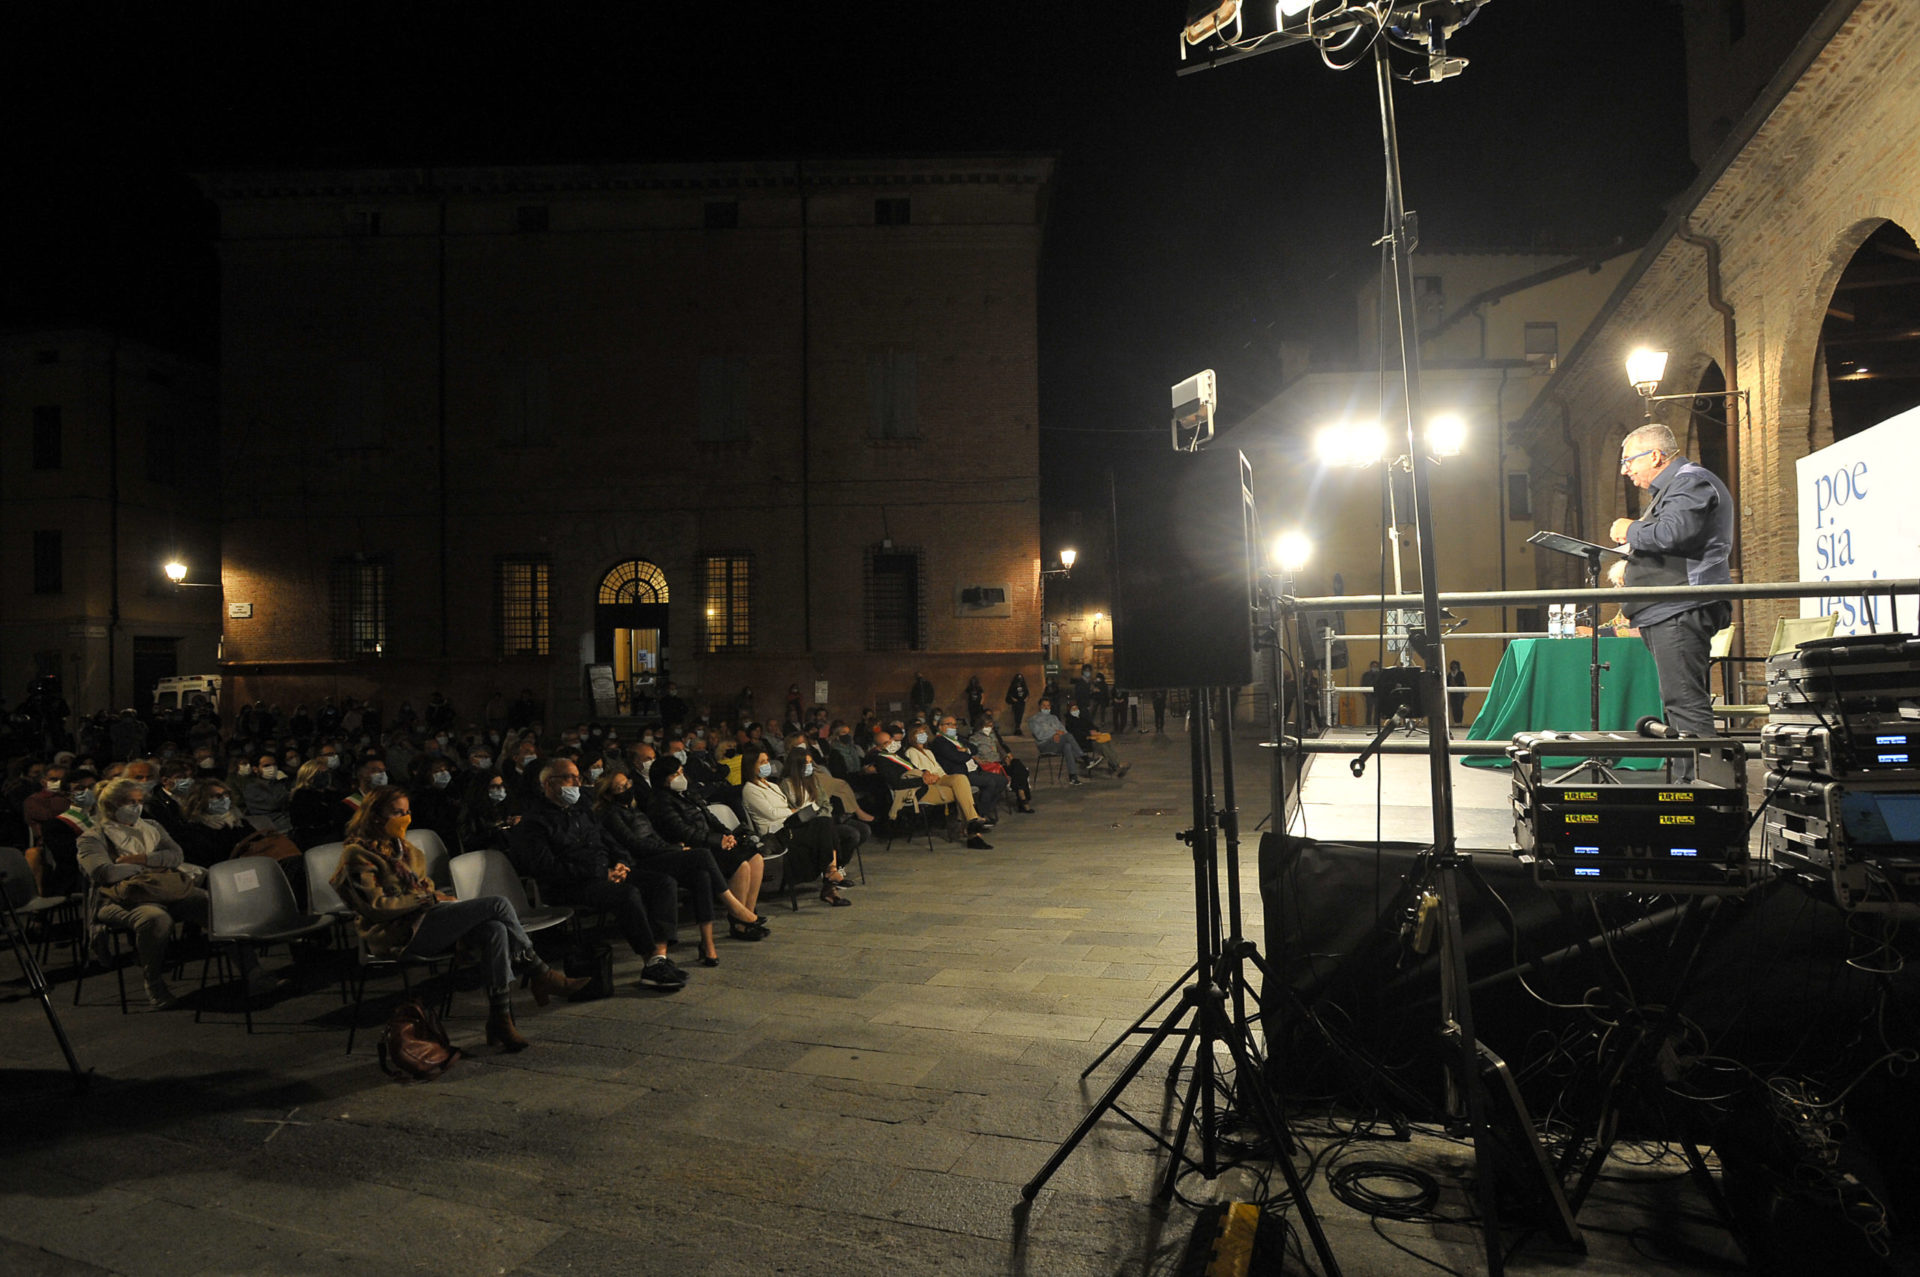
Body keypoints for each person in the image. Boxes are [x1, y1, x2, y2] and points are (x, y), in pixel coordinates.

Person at [336, 785, 586, 1049]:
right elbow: (376, 906)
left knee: (494, 930)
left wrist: (434, 897)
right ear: (375, 815)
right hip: (397, 933)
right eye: (397, 812)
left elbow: (424, 887)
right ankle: (541, 973)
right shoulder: (358, 854)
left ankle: (500, 1020)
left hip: (426, 920)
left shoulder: (406, 850)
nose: (405, 818)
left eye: (407, 812)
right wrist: (427, 899)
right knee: (498, 905)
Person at [1609, 422, 1734, 780]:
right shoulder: (1674, 488)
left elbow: (1671, 533)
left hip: (1681, 608)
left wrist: (1628, 529)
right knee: (1676, 705)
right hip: (1666, 609)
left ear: (1655, 455)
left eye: (1629, 460)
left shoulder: (1690, 481)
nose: (1625, 469)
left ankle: (1707, 795)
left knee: (1686, 703)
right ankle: (1687, 786)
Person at [510, 759, 689, 989]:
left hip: (605, 874)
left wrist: (621, 863)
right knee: (628, 894)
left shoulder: (581, 811)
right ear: (548, 783)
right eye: (568, 778)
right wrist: (600, 873)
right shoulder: (534, 823)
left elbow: (607, 840)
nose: (577, 783)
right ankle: (649, 961)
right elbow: (548, 869)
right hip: (570, 885)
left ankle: (659, 958)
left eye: (578, 777)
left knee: (663, 882)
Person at [595, 772, 765, 965]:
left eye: (628, 784)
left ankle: (707, 944)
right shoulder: (612, 814)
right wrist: (674, 849)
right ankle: (733, 906)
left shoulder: (635, 810)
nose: (627, 789)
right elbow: (635, 844)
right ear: (608, 795)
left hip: (659, 854)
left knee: (701, 874)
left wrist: (675, 848)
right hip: (641, 862)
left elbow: (655, 838)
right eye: (621, 788)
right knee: (702, 855)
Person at [646, 754, 767, 937]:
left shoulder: (687, 794)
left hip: (712, 841)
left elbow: (710, 817)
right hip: (693, 849)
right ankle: (739, 922)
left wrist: (727, 835)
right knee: (740, 865)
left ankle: (748, 914)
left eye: (681, 772)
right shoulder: (661, 802)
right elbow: (684, 831)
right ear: (663, 779)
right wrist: (717, 840)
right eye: (675, 774)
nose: (681, 777)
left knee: (756, 858)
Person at [740, 744, 855, 905]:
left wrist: (793, 812)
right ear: (751, 766)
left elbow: (786, 808)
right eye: (762, 762)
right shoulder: (750, 789)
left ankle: (830, 876)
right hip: (774, 833)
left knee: (826, 824)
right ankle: (830, 876)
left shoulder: (771, 785)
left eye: (767, 761)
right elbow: (772, 813)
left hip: (789, 826)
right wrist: (794, 811)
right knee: (824, 824)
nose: (767, 765)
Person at [868, 726, 994, 848]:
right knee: (961, 793)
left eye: (891, 739)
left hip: (929, 781)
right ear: (878, 748)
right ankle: (973, 831)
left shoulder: (899, 754)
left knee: (960, 779)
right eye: (886, 743)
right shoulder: (882, 761)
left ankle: (972, 824)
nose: (891, 743)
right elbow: (897, 783)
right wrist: (922, 779)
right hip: (916, 791)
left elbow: (914, 768)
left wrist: (925, 772)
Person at [929, 713, 1009, 821]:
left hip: (975, 769)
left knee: (1002, 780)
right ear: (940, 726)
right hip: (961, 774)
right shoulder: (939, 742)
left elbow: (974, 748)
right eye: (949, 724)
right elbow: (957, 758)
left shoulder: (957, 738)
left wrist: (966, 750)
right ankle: (979, 815)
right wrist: (967, 753)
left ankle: (982, 809)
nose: (953, 727)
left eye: (954, 724)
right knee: (990, 782)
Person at [1027, 696, 1088, 785]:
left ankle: (1073, 776)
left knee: (1068, 745)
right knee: (1068, 737)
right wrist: (1054, 734)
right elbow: (1039, 735)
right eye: (1044, 705)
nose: (1046, 707)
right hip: (1045, 744)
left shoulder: (1054, 718)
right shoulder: (1033, 720)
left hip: (1057, 743)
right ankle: (1084, 757)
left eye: (1048, 706)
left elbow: (1063, 730)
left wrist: (1058, 734)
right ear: (1039, 707)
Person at [1063, 701, 1131, 779]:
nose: (1076, 710)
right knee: (1102, 746)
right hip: (1084, 742)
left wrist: (1094, 730)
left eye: (1076, 708)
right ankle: (1116, 766)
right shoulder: (1070, 722)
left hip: (1092, 738)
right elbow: (1076, 734)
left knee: (1106, 742)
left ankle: (1115, 765)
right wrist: (1089, 734)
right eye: (1073, 709)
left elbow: (1092, 725)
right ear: (1069, 711)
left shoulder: (1082, 718)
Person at [1004, 672, 1030, 736]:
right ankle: (1017, 728)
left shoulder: (1024, 685)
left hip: (1022, 703)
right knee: (1016, 715)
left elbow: (1027, 693)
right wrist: (1014, 699)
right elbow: (1009, 694)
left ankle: (1018, 727)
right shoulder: (1013, 685)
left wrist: (1026, 699)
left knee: (1020, 715)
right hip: (1016, 703)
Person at [1446, 660, 1468, 728]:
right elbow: (1447, 683)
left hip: (1460, 693)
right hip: (1452, 693)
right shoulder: (1449, 674)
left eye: (1455, 666)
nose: (1453, 667)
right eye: (1452, 665)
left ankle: (1459, 722)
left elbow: (1463, 682)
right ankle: (1456, 722)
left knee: (1459, 707)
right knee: (1453, 707)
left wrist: (1465, 692)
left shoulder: (1461, 673)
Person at [1360, 661, 1382, 726]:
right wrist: (1366, 694)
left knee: (1377, 711)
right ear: (1370, 667)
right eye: (1373, 666)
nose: (1374, 668)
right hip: (1369, 695)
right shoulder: (1366, 675)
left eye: (1376, 666)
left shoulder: (1380, 675)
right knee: (1369, 711)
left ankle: (1376, 724)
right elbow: (1363, 685)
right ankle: (1368, 724)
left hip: (1378, 696)